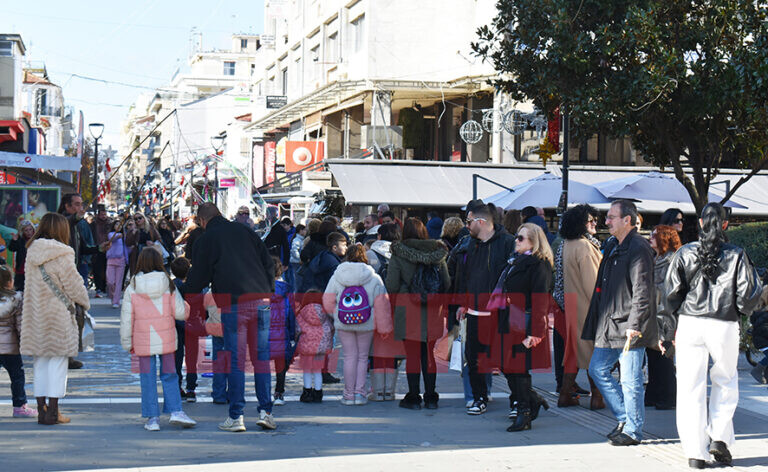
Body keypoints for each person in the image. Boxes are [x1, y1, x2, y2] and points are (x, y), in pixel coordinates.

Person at [661, 203, 762, 468]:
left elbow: (670, 295)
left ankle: (696, 453)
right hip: (723, 323)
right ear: (726, 225)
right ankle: (718, 435)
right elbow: (750, 294)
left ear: (702, 223)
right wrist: (741, 311)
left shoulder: (685, 252)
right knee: (725, 381)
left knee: (689, 388)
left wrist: (667, 331)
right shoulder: (736, 254)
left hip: (690, 324)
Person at [180, 203, 276, 433]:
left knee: (236, 360)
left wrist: (181, 293)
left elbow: (198, 277)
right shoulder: (245, 230)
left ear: (202, 221)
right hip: (261, 299)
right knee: (261, 358)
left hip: (234, 303)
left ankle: (236, 416)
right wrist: (268, 291)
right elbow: (268, 262)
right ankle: (266, 412)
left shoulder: (207, 239)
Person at [582, 199, 657, 446]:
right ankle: (625, 418)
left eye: (611, 217)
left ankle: (633, 431)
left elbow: (643, 291)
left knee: (631, 380)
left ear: (627, 220)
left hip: (628, 326)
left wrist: (635, 324)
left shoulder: (639, 247)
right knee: (597, 369)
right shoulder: (613, 244)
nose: (606, 221)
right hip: (610, 323)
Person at [20, 212, 90, 425]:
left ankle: (41, 411)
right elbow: (74, 285)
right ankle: (53, 412)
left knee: (40, 363)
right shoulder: (63, 253)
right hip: (58, 315)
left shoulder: (31, 252)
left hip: (36, 315)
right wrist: (84, 301)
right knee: (58, 365)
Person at [120, 247, 196, 431]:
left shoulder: (133, 287)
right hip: (166, 339)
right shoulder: (168, 285)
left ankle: (152, 418)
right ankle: (176, 411)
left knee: (147, 377)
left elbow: (126, 318)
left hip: (142, 340)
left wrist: (127, 342)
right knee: (170, 375)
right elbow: (179, 313)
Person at [453, 200, 516, 415]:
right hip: (475, 312)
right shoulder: (470, 244)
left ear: (481, 221)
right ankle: (479, 398)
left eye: (469, 221)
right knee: (474, 359)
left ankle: (519, 400)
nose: (466, 225)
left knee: (507, 360)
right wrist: (462, 302)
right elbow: (463, 276)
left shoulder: (507, 242)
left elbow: (514, 274)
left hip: (501, 312)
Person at [385, 218, 450, 410]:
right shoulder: (438, 252)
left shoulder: (399, 252)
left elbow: (392, 285)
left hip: (408, 308)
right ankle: (431, 397)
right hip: (432, 308)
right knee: (428, 353)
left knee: (412, 355)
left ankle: (413, 397)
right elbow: (446, 282)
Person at [495, 223, 553, 432]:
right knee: (505, 364)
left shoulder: (539, 264)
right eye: (517, 236)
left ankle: (524, 412)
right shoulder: (515, 261)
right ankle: (533, 400)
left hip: (525, 321)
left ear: (534, 242)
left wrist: (536, 332)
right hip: (510, 319)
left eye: (521, 238)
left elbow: (540, 300)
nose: (516, 240)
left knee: (518, 367)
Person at [322, 245, 393, 405]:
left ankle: (348, 395)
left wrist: (336, 313)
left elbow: (327, 300)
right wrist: (384, 327)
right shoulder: (374, 277)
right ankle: (360, 394)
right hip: (366, 322)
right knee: (362, 358)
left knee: (348, 357)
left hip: (344, 322)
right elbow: (382, 303)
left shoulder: (337, 276)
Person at [554, 205, 603, 409]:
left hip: (571, 305)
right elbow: (593, 283)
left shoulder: (566, 244)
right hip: (587, 305)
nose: (594, 223)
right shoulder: (584, 246)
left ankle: (565, 394)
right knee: (594, 352)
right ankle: (597, 397)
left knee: (573, 353)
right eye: (590, 220)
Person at [645, 225, 682, 411]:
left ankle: (668, 395)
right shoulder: (656, 258)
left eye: (654, 235)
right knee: (653, 355)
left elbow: (669, 292)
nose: (650, 237)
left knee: (664, 354)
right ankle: (654, 392)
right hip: (653, 312)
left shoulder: (671, 261)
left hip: (666, 314)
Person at [0, 265, 37, 418]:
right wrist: (27, 342)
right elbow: (20, 324)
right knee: (17, 377)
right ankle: (19, 406)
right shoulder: (16, 299)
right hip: (10, 348)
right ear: (9, 282)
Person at [170, 257, 205, 402]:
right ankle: (191, 388)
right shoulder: (194, 286)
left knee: (176, 359)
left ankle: (177, 386)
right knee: (191, 359)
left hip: (176, 326)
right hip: (192, 325)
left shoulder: (171, 287)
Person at [296, 290, 333, 403]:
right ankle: (318, 393)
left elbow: (297, 329)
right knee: (317, 371)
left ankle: (307, 392)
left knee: (306, 370)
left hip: (306, 348)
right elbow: (330, 328)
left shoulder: (301, 313)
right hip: (320, 349)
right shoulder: (324, 313)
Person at [268, 256, 296, 406]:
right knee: (281, 363)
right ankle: (279, 392)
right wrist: (292, 334)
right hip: (282, 330)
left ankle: (264, 392)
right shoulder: (286, 289)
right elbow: (291, 314)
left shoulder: (259, 289)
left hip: (264, 331)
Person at [106, 220, 129, 309]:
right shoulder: (111, 234)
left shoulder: (124, 236)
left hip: (121, 260)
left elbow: (127, 246)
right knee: (110, 282)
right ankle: (112, 296)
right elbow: (112, 238)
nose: (118, 226)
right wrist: (118, 235)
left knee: (118, 282)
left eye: (120, 225)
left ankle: (116, 301)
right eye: (116, 224)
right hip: (111, 260)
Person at [90, 204, 112, 297]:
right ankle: (99, 287)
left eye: (104, 214)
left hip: (108, 249)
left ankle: (104, 287)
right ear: (98, 215)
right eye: (102, 214)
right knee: (97, 269)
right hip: (97, 249)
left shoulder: (109, 224)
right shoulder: (93, 224)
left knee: (106, 269)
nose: (103, 216)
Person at [8, 220, 34, 291]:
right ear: (22, 232)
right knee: (19, 290)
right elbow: (12, 248)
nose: (29, 232)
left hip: (33, 269)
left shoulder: (36, 239)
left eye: (30, 229)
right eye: (26, 230)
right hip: (21, 269)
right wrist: (14, 240)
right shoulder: (20, 239)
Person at [289, 224, 307, 292]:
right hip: (296, 262)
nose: (306, 231)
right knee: (298, 281)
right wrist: (299, 259)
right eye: (304, 230)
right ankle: (296, 297)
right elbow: (294, 250)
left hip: (298, 262)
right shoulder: (297, 240)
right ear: (300, 231)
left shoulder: (301, 239)